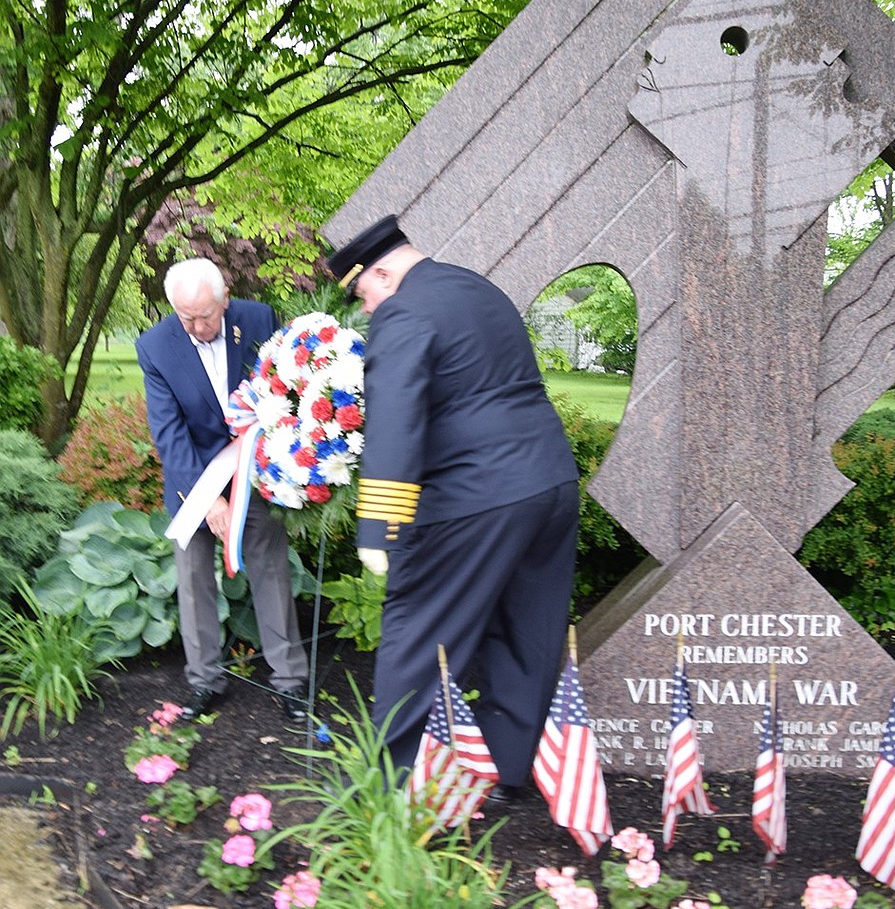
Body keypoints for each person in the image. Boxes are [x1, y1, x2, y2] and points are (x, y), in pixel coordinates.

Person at [328, 215, 580, 802]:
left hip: (474, 497)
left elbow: (397, 414)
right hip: (549, 483)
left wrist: (381, 522)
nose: (367, 311)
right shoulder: (476, 287)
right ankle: (504, 768)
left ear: (383, 273)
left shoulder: (404, 311)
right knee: (526, 631)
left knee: (420, 634)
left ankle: (392, 790)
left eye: (364, 295)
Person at [136, 258, 310, 721]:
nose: (196, 326)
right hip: (191, 481)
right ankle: (204, 683)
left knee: (270, 568)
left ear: (225, 299)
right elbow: (169, 433)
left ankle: (291, 682)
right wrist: (207, 499)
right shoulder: (155, 347)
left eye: (205, 316)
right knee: (193, 580)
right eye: (185, 317)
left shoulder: (258, 320)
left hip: (253, 473)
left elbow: (284, 392)